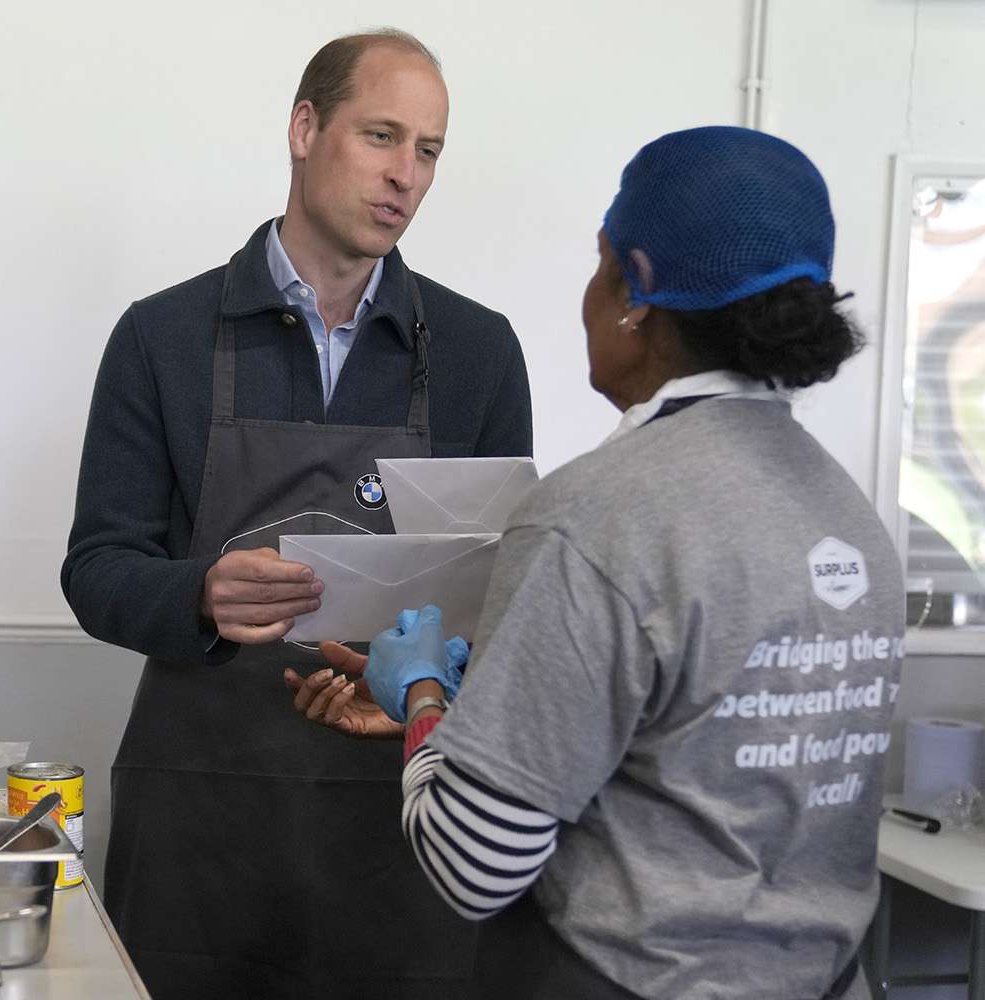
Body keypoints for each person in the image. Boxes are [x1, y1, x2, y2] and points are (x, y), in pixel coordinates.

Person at [289, 126, 904, 999]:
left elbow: (474, 860)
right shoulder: (850, 521)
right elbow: (700, 749)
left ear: (637, 290)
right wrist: (491, 718)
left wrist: (424, 697)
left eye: (599, 262)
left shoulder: (599, 513)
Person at [62, 28, 532, 1000]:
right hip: (202, 815)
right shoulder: (163, 338)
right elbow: (98, 568)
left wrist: (431, 674)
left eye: (429, 151)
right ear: (305, 127)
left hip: (400, 815)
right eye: (382, 136)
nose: (405, 174)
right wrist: (201, 594)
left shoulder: (479, 352)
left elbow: (506, 593)